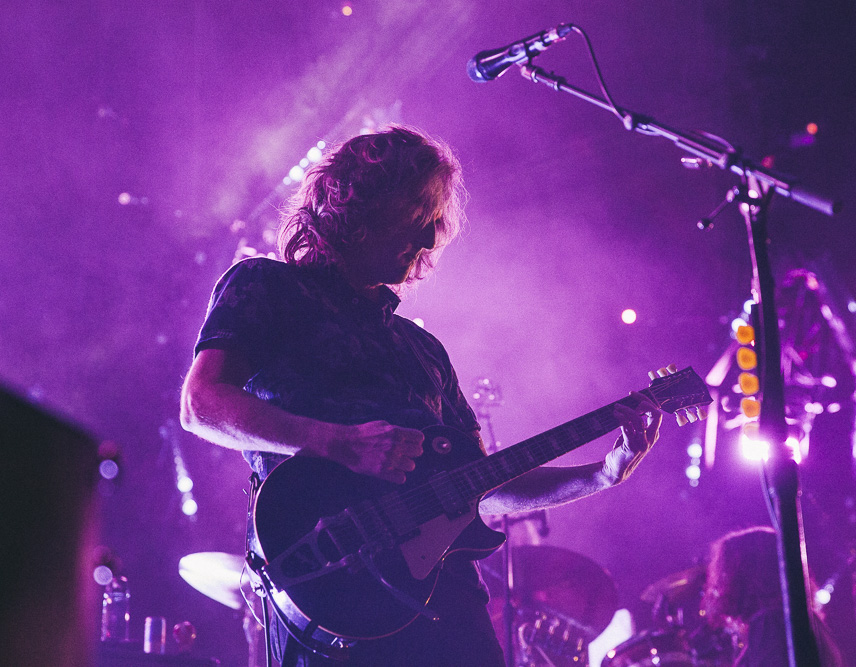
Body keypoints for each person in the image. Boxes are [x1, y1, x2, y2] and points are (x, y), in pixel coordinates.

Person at [179, 126, 679, 666]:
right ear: (358, 206)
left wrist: (601, 474)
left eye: (434, 220)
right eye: (416, 214)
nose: (427, 237)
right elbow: (201, 404)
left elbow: (482, 486)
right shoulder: (266, 286)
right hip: (330, 585)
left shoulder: (422, 350)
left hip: (443, 600)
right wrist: (336, 442)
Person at [702, 526, 843, 667]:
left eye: (726, 573)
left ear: (745, 575)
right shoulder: (800, 619)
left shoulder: (769, 621)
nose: (721, 584)